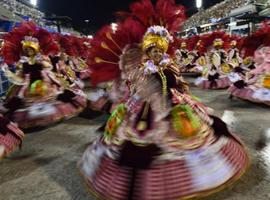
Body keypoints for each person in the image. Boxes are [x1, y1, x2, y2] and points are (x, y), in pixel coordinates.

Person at [79, 23, 249, 199]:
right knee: (135, 137)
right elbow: (134, 84)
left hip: (171, 101)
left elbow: (176, 82)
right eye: (154, 51)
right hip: (144, 105)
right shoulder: (143, 68)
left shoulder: (170, 65)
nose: (157, 54)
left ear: (164, 51)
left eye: (160, 51)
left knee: (189, 131)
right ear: (148, 52)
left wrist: (168, 81)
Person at [1, 22, 86, 128]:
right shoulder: (22, 61)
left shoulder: (42, 58)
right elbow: (20, 76)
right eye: (26, 49)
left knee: (57, 95)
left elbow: (49, 67)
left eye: (30, 49)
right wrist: (9, 73)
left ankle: (44, 117)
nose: (28, 51)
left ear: (35, 49)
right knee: (21, 101)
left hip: (44, 81)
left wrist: (41, 63)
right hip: (28, 84)